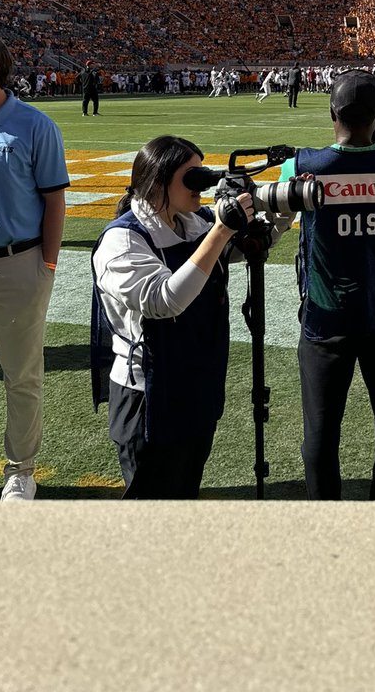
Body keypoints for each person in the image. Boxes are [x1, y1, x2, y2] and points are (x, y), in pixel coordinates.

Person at [90, 135, 278, 498]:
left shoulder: (190, 223)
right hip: (150, 395)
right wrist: (222, 229)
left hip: (195, 382)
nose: (202, 184)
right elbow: (165, 300)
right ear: (158, 181)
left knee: (186, 489)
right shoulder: (124, 240)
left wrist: (279, 213)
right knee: (153, 502)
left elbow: (245, 249)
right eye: (191, 177)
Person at [282, 69, 375, 499]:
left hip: (326, 315)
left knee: (320, 432)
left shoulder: (301, 165)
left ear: (331, 113)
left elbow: (281, 215)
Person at [0, 34, 69, 500]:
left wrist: (47, 265)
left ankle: (21, 470)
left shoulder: (35, 125)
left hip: (18, 263)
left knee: (21, 375)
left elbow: (55, 199)